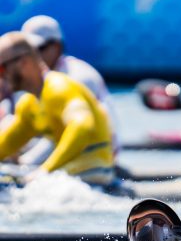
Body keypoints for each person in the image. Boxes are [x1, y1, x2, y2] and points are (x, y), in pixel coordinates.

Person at [0, 31, 114, 184]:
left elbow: (83, 126)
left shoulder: (59, 88)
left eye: (2, 68)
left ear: (24, 62)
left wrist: (45, 170)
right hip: (71, 175)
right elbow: (6, 144)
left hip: (94, 173)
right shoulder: (29, 104)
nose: (1, 77)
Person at [21, 14, 120, 161]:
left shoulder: (78, 77)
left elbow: (80, 129)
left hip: (100, 156)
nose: (32, 56)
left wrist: (27, 163)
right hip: (66, 142)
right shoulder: (45, 78)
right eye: (27, 50)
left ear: (57, 47)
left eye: (39, 48)